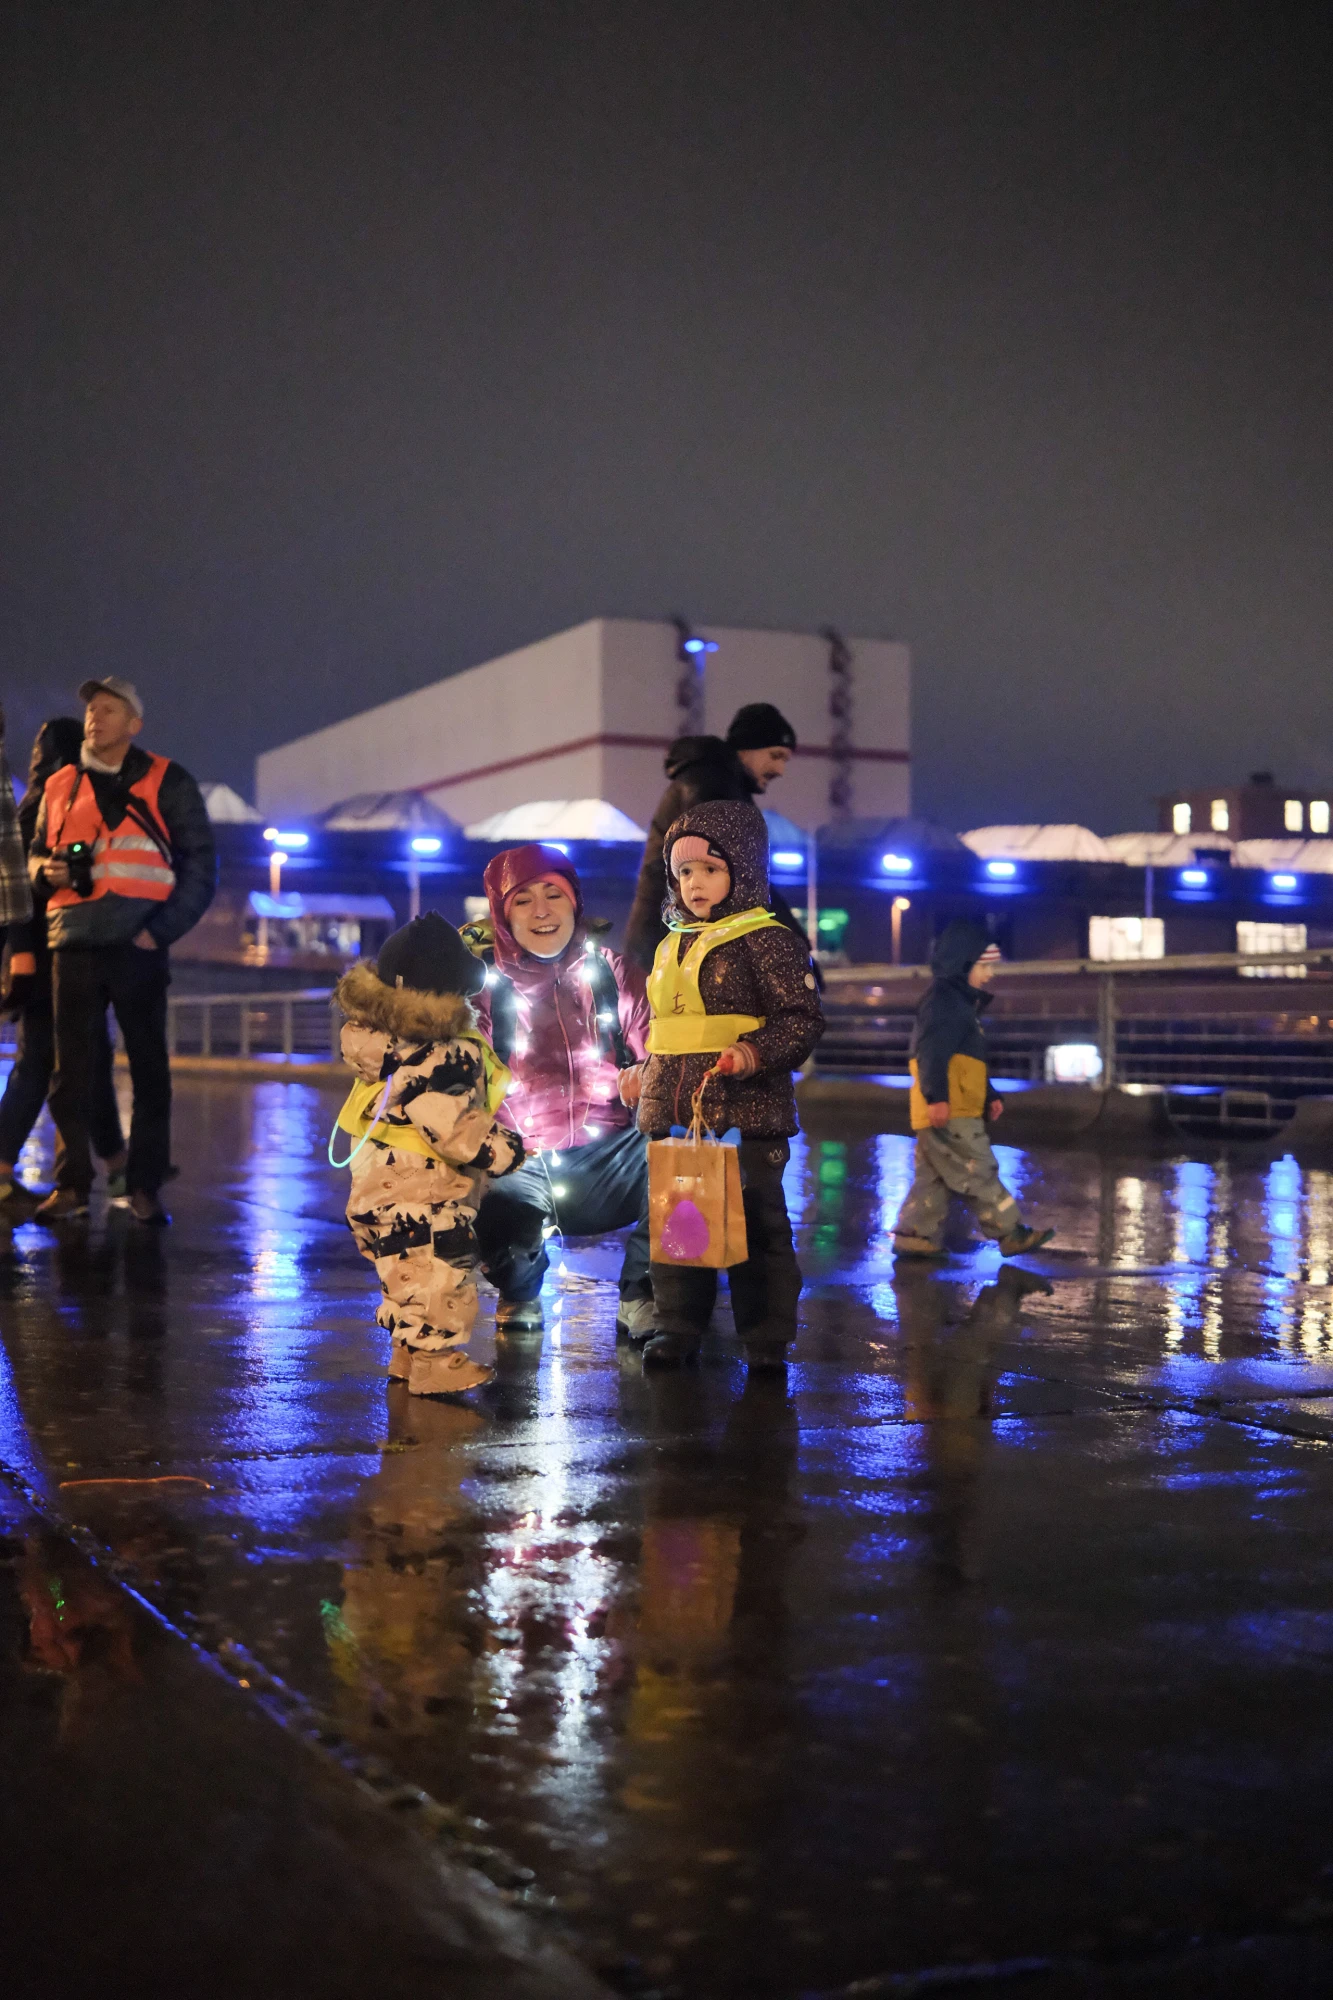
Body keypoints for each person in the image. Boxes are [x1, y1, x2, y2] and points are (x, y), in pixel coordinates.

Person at [622, 798, 824, 1370]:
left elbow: (802, 1019)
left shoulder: (768, 939)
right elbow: (664, 1027)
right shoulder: (671, 945)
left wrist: (754, 1052)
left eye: (711, 869)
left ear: (744, 870)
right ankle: (679, 1326)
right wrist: (646, 1071)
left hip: (747, 1113)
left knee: (757, 1228)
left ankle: (765, 1339)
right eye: (684, 872)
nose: (695, 884)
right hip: (679, 1115)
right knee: (680, 1224)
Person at [26, 676, 216, 1225]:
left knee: (150, 1070)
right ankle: (72, 1186)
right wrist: (46, 872)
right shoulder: (60, 784)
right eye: (90, 709)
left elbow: (202, 865)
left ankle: (144, 1187)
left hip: (138, 945)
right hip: (74, 943)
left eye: (109, 709)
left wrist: (160, 931)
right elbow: (35, 858)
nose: (95, 717)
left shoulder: (167, 780)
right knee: (72, 1074)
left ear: (134, 724)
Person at [335, 911, 526, 1398]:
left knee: (404, 1270)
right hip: (427, 1187)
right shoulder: (445, 1050)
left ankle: (407, 1354)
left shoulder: (384, 1042)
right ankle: (435, 1363)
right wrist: (503, 1150)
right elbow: (451, 1126)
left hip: (377, 1180)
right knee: (441, 1272)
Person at [469, 843, 654, 1340]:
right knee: (494, 1198)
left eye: (554, 894)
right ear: (502, 914)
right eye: (524, 900)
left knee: (684, 1155)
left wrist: (647, 1077)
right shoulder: (482, 988)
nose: (542, 911)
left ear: (576, 902)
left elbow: (663, 1050)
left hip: (611, 1157)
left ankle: (644, 1293)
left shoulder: (612, 974)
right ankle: (520, 1288)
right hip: (522, 1160)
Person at [0, 718, 126, 1215]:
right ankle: (97, 1173)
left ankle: (112, 1169)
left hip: (43, 956)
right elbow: (24, 891)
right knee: (54, 1065)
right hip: (58, 956)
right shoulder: (57, 805)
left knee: (73, 1064)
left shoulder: (33, 802)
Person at [890, 919, 1054, 1260]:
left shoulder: (953, 1003)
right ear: (962, 964)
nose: (990, 974)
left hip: (950, 1104)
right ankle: (1010, 1232)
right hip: (952, 1109)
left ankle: (915, 1234)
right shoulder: (947, 1004)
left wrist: (988, 1094)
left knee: (933, 1175)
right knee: (977, 1168)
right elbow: (933, 1054)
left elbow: (963, 1061)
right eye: (985, 966)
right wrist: (938, 1098)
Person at [625, 701, 806, 972]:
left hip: (668, 949)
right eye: (775, 755)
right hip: (670, 953)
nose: (779, 770)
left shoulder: (722, 784)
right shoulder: (710, 785)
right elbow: (740, 874)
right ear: (748, 748)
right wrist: (791, 944)